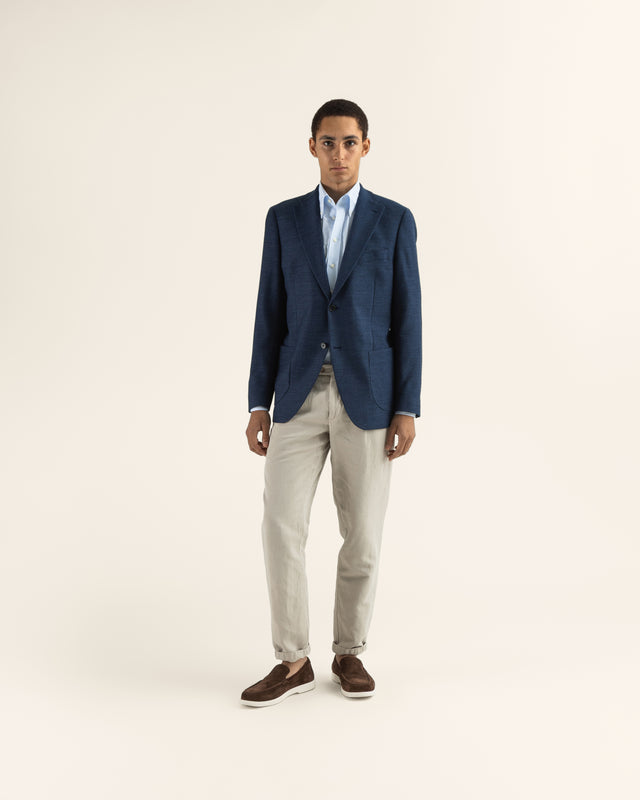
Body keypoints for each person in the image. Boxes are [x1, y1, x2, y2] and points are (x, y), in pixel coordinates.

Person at [241, 99, 422, 707]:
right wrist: (258, 401)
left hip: (368, 394)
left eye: (349, 143)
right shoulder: (284, 219)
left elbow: (408, 318)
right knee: (280, 525)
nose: (338, 154)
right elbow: (269, 313)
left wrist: (407, 406)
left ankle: (349, 652)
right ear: (312, 147)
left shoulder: (394, 221)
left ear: (365, 147)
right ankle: (293, 660)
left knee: (362, 533)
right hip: (296, 393)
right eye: (328, 142)